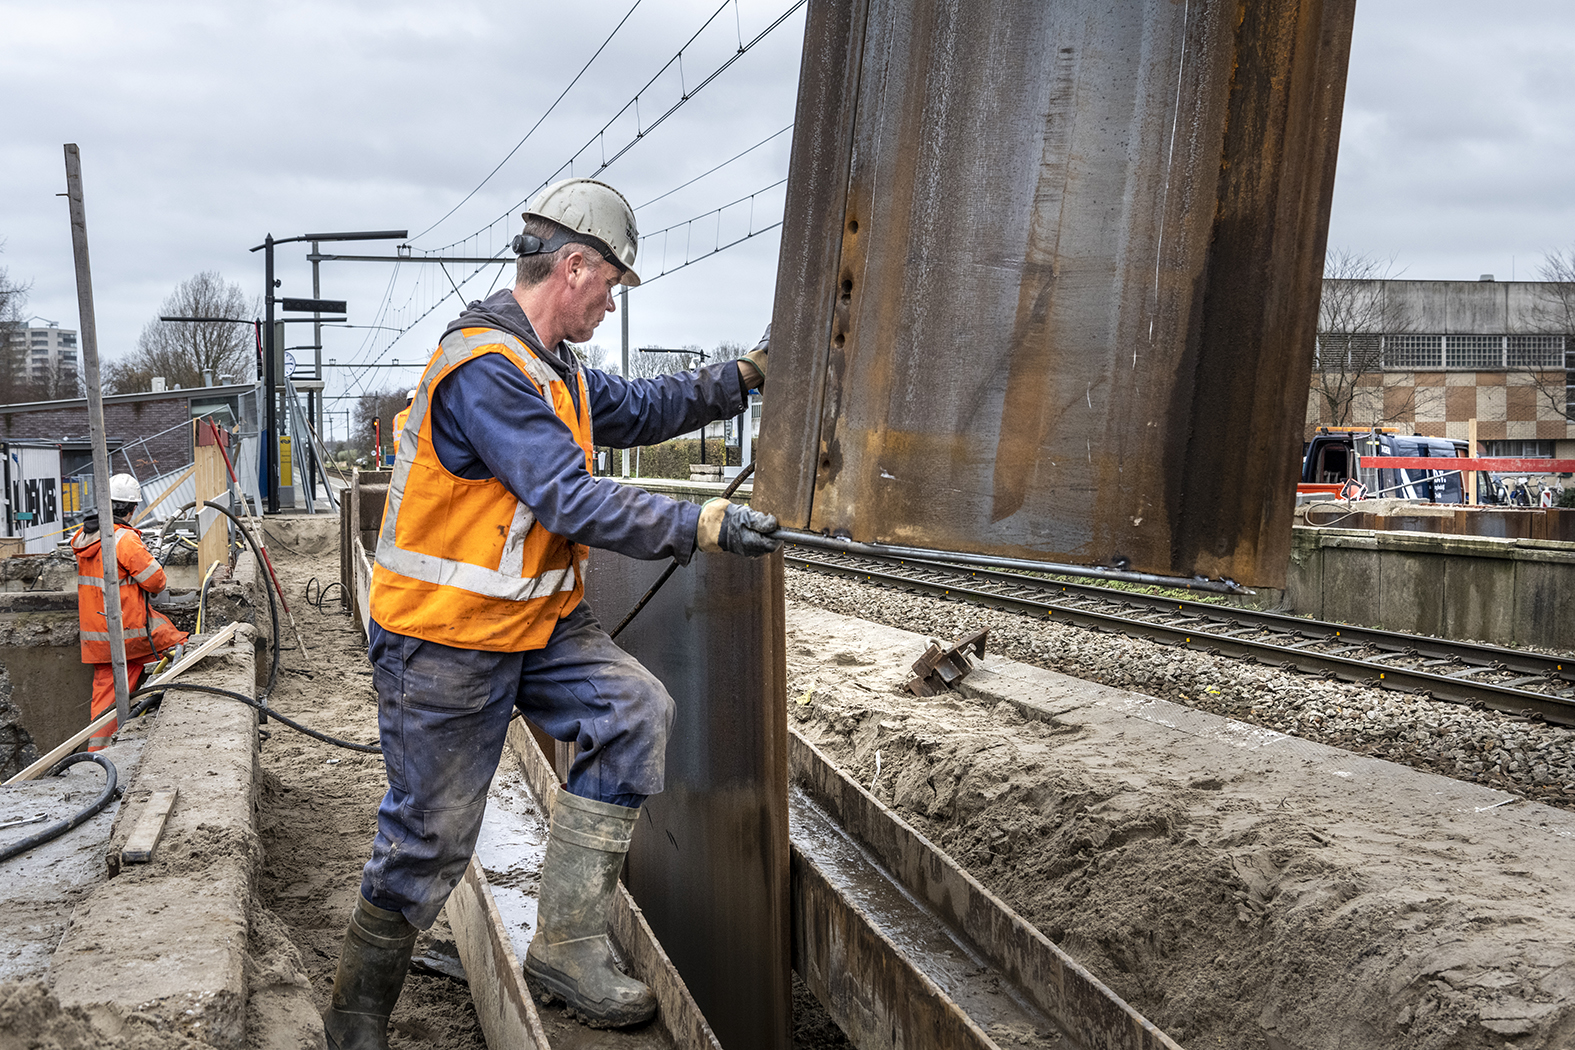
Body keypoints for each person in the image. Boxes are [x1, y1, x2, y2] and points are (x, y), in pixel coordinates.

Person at [324, 176, 778, 1047]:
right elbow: (568, 498)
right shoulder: (487, 371)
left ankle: (566, 944)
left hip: (533, 627)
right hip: (445, 638)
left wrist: (744, 377)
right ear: (573, 265)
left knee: (633, 710)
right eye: (610, 283)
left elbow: (645, 407)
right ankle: (355, 1013)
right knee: (432, 839)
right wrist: (699, 522)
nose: (612, 302)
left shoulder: (555, 368)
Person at [70, 473, 188, 751]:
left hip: (99, 640)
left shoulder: (85, 535)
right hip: (130, 634)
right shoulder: (125, 541)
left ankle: (97, 756)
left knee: (105, 703)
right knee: (182, 646)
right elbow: (156, 582)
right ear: (132, 509)